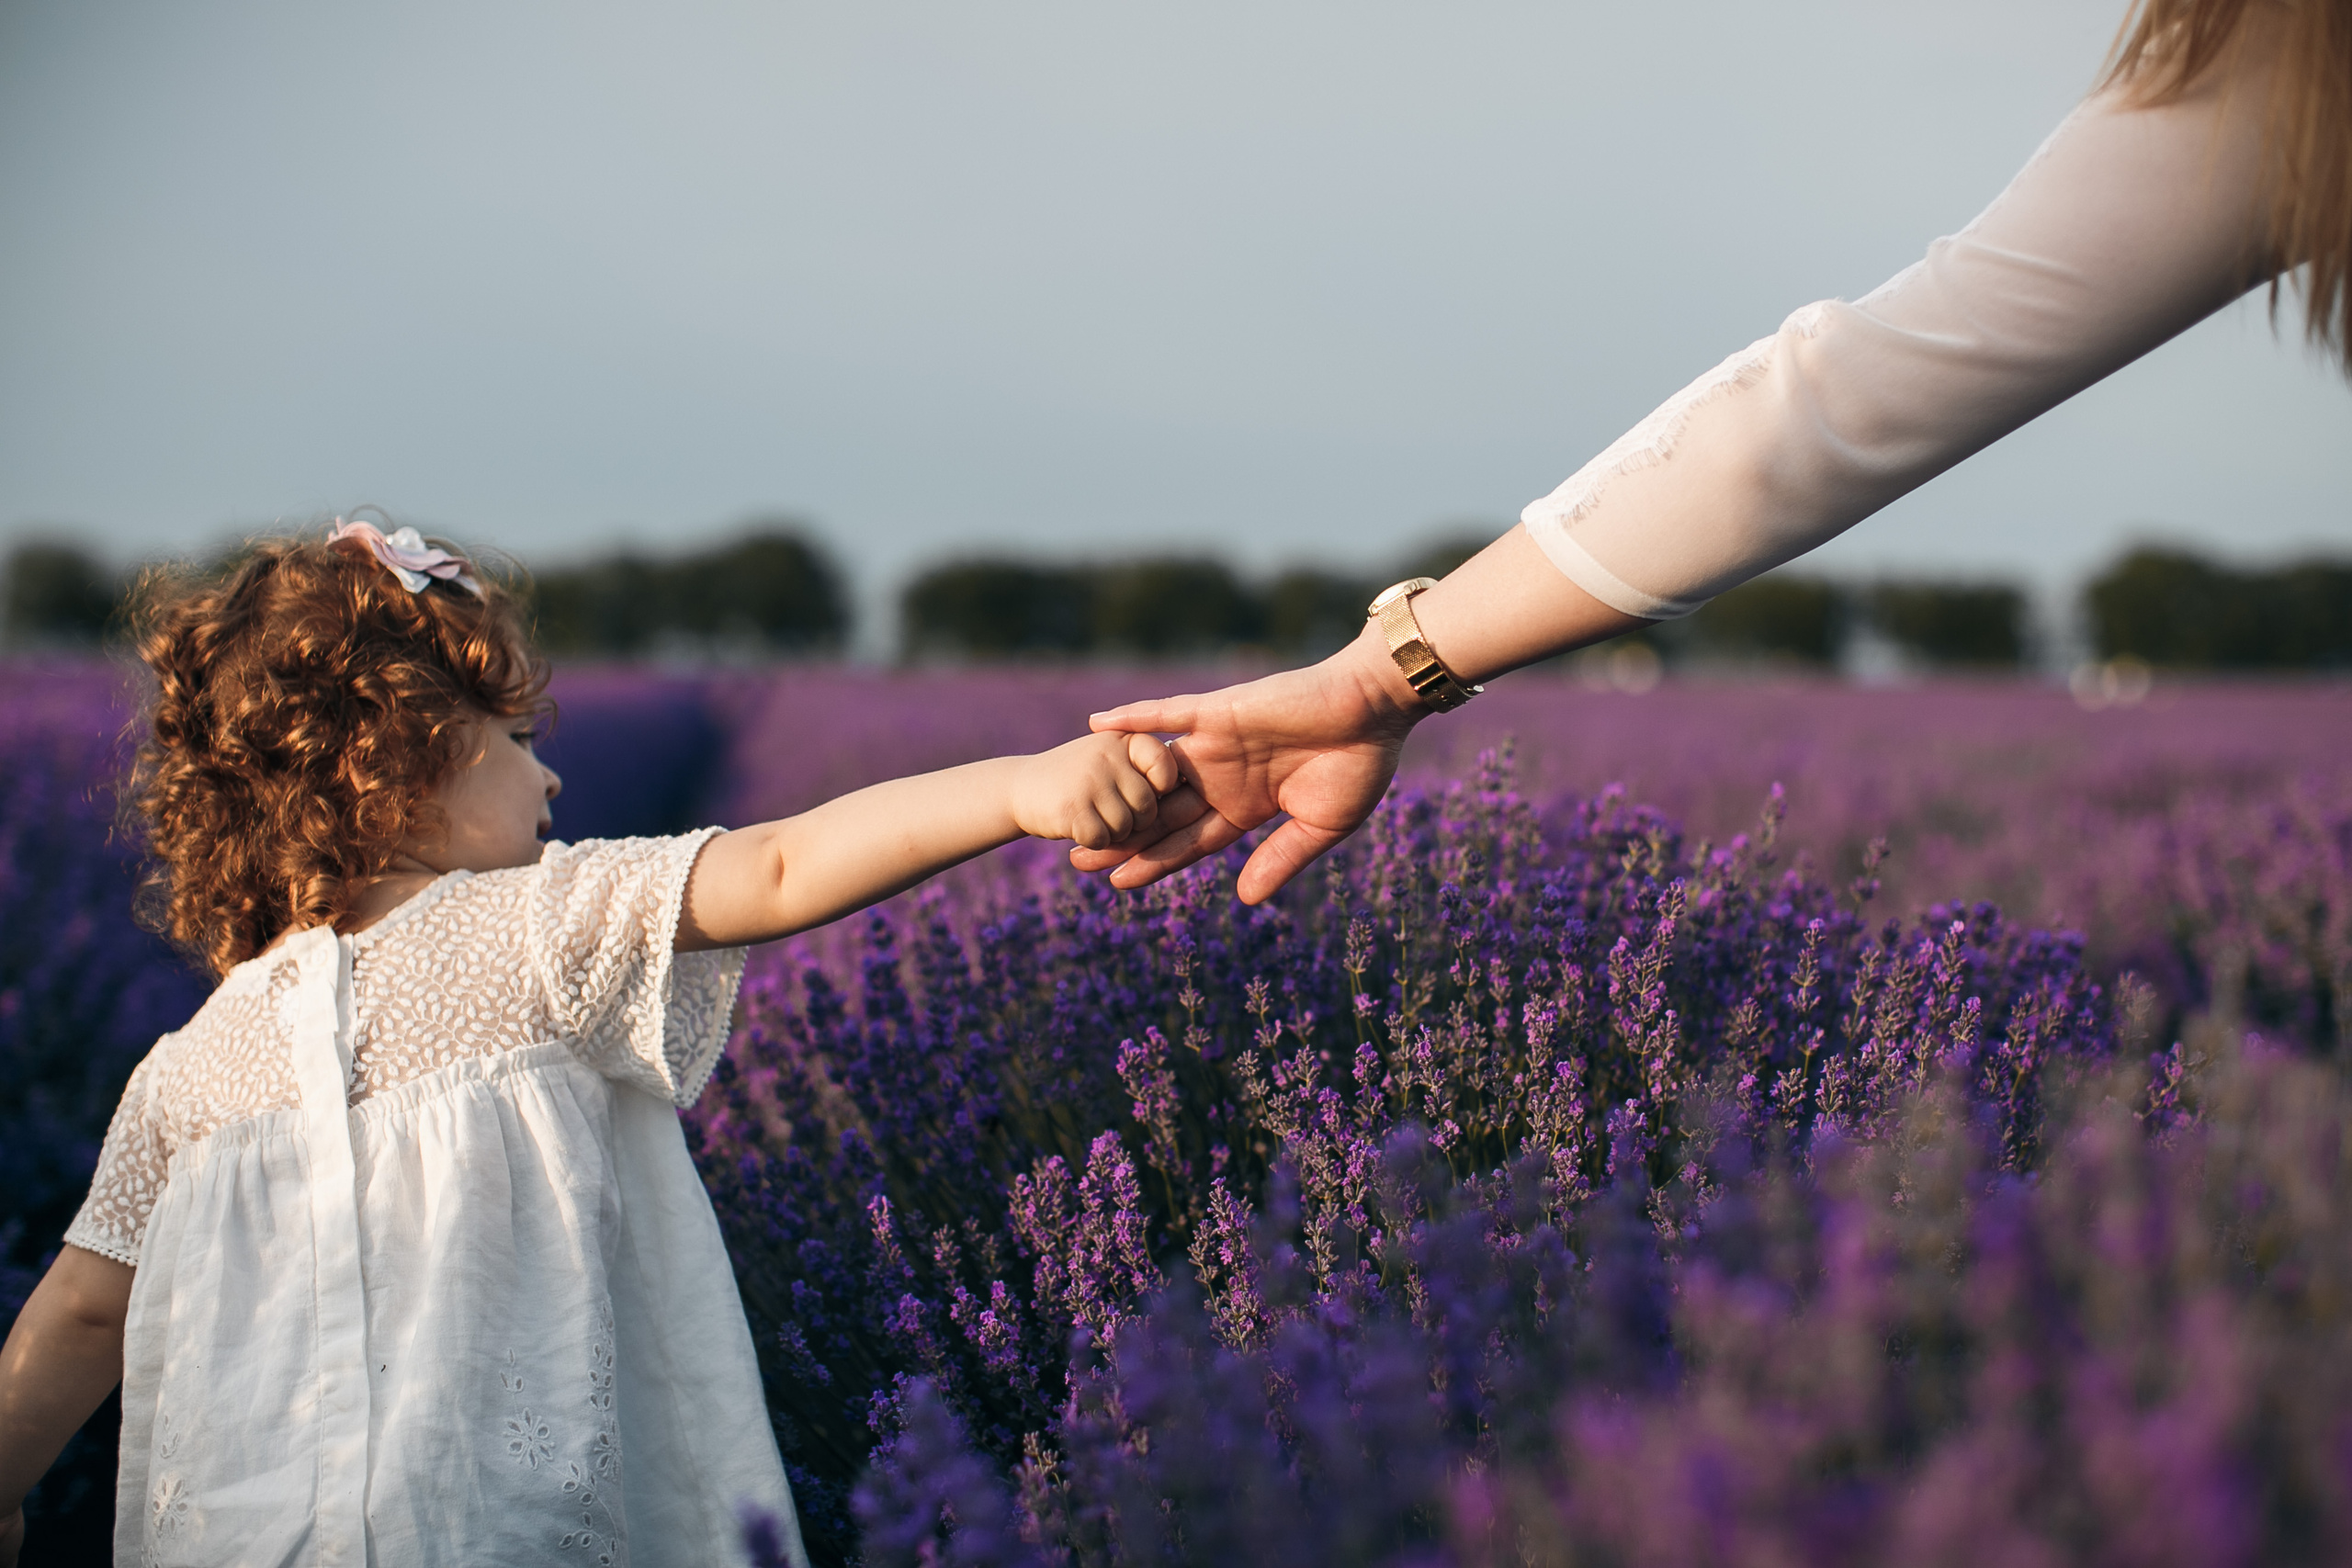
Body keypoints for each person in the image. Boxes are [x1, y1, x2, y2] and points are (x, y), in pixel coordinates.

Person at [0, 519, 1181, 1567]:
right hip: (504, 1522)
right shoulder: (541, 925)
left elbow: (83, 1313)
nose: (551, 768)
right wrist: (1026, 785)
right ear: (395, 754)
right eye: (513, 734)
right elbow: (781, 864)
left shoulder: (184, 1072)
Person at [1076, 0, 2352, 905]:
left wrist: (1384, 673)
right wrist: (1383, 675)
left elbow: (1829, 407)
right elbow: (1820, 413)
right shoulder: (2284, 68)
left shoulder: (2285, 64)